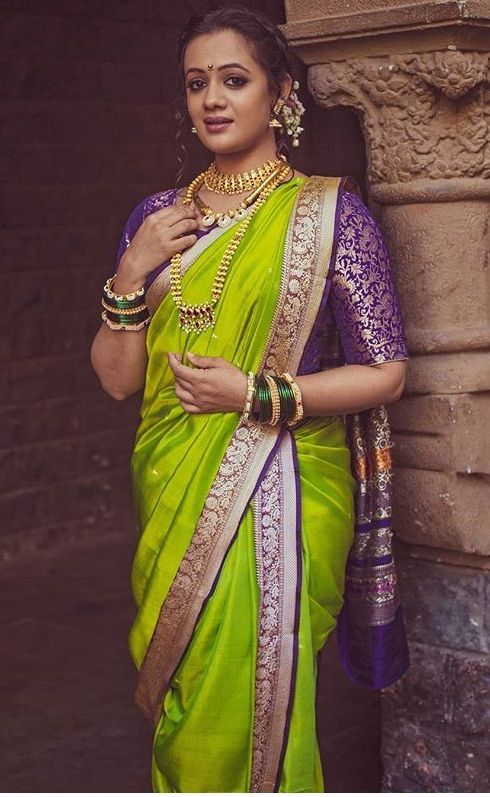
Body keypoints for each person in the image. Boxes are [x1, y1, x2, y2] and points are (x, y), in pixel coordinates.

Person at [90, 6, 410, 793]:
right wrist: (131, 273)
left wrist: (256, 393)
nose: (213, 99)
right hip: (174, 487)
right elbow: (118, 378)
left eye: (234, 80)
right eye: (197, 83)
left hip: (285, 487)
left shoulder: (331, 215)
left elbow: (387, 371)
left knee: (255, 696)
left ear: (281, 94)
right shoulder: (156, 222)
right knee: (189, 702)